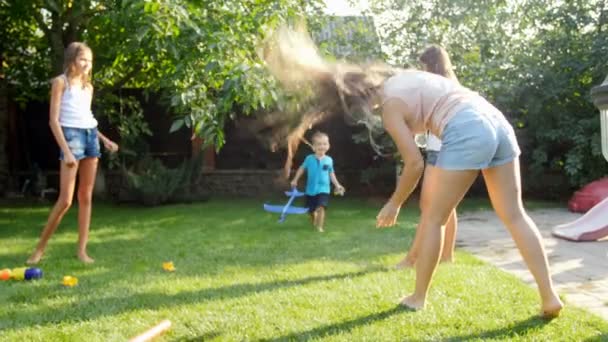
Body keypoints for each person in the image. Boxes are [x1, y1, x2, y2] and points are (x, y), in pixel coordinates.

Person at [264, 26, 563, 317]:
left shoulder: (391, 106)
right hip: (497, 121)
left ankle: (418, 298)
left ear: (362, 97)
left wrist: (394, 202)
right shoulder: (407, 78)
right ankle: (550, 297)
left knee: (434, 217)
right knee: (514, 214)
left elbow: (415, 163)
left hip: (467, 127)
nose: (366, 114)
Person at [27, 42, 118, 264]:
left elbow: (86, 118)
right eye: (83, 59)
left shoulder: (88, 88)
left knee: (86, 197)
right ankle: (39, 250)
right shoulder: (60, 83)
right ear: (71, 60)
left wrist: (104, 140)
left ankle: (82, 251)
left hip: (90, 138)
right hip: (71, 139)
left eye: (90, 60)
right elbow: (53, 121)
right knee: (66, 200)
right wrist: (66, 151)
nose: (87, 64)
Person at [397, 45, 459, 269]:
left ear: (432, 65)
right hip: (450, 149)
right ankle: (447, 256)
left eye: (424, 65)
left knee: (429, 206)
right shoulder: (453, 86)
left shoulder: (438, 87)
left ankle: (411, 259)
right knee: (447, 206)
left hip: (441, 150)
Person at [290, 131, 345, 232]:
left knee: (321, 206)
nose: (322, 146)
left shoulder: (329, 160)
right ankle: (314, 217)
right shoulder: (309, 159)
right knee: (310, 210)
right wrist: (295, 179)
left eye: (325, 144)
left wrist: (337, 185)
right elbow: (302, 169)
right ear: (313, 147)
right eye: (319, 144)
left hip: (324, 189)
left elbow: (331, 173)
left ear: (328, 145)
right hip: (310, 189)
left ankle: (320, 227)